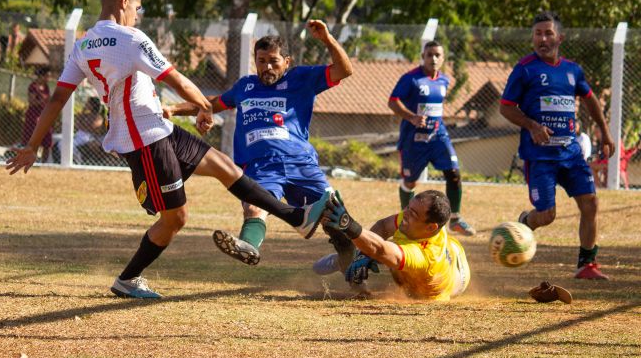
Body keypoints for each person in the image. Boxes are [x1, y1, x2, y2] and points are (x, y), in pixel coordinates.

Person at [6, 0, 331, 299]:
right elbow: (174, 78)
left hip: (159, 129)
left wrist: (33, 146)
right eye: (138, 7)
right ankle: (128, 279)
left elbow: (57, 99)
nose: (138, 14)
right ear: (123, 2)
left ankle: (296, 217)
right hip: (146, 141)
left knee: (225, 167)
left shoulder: (83, 45)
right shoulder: (132, 38)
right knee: (176, 218)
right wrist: (205, 107)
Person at [166, 26, 355, 267]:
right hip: (260, 167)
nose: (267, 67)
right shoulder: (245, 86)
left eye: (273, 61)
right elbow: (211, 104)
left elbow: (344, 70)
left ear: (287, 62)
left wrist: (327, 39)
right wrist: (173, 109)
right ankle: (248, 247)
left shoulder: (302, 79)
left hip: (300, 163)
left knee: (335, 217)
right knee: (254, 208)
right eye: (261, 61)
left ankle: (349, 261)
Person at [499, 11, 616, 280]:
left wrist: (606, 134)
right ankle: (526, 222)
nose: (542, 38)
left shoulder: (572, 71)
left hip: (571, 154)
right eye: (538, 34)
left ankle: (587, 264)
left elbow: (591, 100)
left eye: (548, 33)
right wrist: (532, 126)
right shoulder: (525, 69)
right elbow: (506, 108)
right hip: (540, 157)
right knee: (547, 215)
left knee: (590, 204)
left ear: (559, 37)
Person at [313, 190, 470, 301]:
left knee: (390, 258)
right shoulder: (413, 219)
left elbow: (381, 250)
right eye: (408, 207)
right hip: (451, 249)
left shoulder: (426, 257)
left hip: (456, 279)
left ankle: (345, 259)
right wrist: (362, 254)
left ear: (431, 227)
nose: (405, 213)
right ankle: (346, 259)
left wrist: (349, 225)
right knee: (383, 252)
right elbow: (383, 226)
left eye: (413, 213)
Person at [388, 41, 476, 236]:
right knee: (410, 183)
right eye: (429, 55)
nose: (433, 59)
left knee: (453, 172)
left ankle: (455, 218)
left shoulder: (444, 80)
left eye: (437, 55)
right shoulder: (411, 79)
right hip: (414, 140)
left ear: (443, 58)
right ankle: (407, 219)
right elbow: (393, 101)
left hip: (438, 136)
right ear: (423, 56)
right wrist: (412, 117)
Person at [22, 67, 52, 163]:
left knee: (47, 141)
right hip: (34, 116)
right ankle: (29, 161)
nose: (49, 78)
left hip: (44, 116)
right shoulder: (33, 87)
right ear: (42, 76)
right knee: (32, 140)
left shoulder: (46, 87)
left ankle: (43, 164)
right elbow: (32, 102)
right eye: (47, 76)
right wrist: (43, 100)